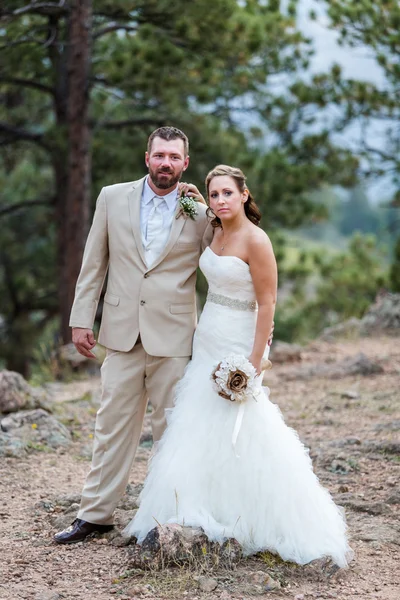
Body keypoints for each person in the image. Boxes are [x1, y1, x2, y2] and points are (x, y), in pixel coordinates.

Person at [124, 165, 352, 568]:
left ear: (244, 195)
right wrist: (193, 195)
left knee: (244, 426)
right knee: (198, 421)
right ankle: (192, 507)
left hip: (239, 343)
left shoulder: (256, 240)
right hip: (208, 337)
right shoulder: (216, 231)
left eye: (228, 193)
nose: (221, 200)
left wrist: (254, 359)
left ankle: (259, 518)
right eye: (214, 195)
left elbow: (267, 303)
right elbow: (198, 213)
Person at [54, 126, 214, 544]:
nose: (165, 163)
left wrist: (211, 214)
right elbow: (94, 265)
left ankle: (169, 517)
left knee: (171, 431)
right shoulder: (112, 197)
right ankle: (95, 515)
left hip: (175, 338)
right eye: (159, 155)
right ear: (147, 158)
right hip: (121, 334)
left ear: (185, 164)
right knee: (111, 427)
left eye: (173, 157)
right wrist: (81, 318)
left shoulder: (199, 214)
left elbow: (222, 261)